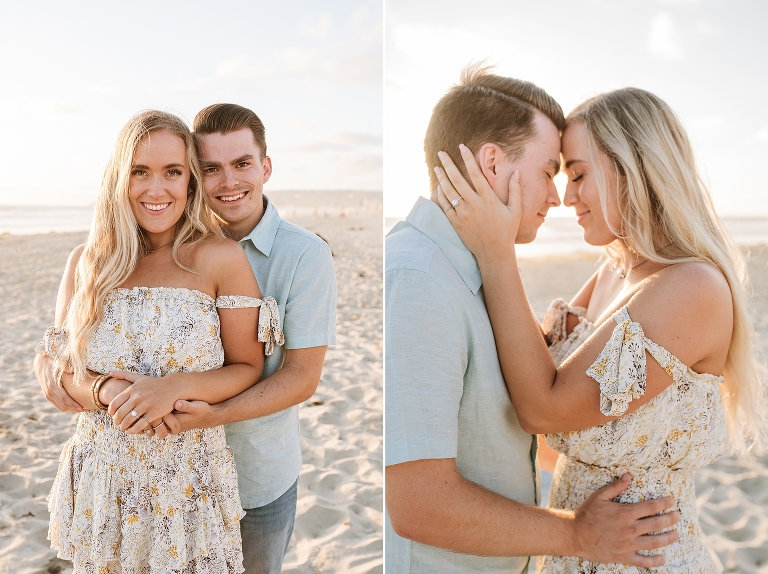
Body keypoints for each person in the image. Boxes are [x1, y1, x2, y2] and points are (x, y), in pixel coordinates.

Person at [433, 86, 762, 572]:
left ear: (633, 170)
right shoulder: (615, 270)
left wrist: (496, 250)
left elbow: (544, 408)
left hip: (641, 558)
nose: (566, 197)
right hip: (580, 546)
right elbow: (550, 421)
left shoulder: (694, 286)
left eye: (578, 175)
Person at [385, 65, 681, 574]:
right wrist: (575, 533)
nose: (556, 197)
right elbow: (417, 504)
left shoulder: (469, 266)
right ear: (492, 162)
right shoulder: (419, 277)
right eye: (548, 171)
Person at [37, 104, 337, 574]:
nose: (157, 188)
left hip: (228, 478)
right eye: (139, 171)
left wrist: (182, 395)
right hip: (106, 482)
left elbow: (286, 373)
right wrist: (104, 389)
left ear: (265, 167)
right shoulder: (89, 260)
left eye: (172, 172)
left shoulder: (263, 256)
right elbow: (61, 362)